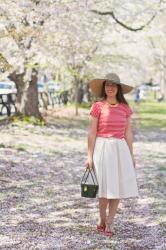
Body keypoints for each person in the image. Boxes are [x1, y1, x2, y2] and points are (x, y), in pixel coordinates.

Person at [87, 73, 139, 237]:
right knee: (103, 187)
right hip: (102, 147)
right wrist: (89, 156)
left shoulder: (125, 108)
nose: (110, 88)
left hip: (120, 148)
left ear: (118, 88)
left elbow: (128, 133)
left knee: (116, 187)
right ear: (104, 88)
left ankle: (110, 222)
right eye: (107, 85)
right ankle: (101, 218)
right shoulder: (98, 106)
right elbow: (91, 133)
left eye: (113, 85)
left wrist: (131, 155)